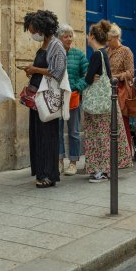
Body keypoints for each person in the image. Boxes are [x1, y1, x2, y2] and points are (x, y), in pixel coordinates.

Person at [22, 10, 67, 188]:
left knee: (47, 134)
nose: (33, 34)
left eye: (34, 31)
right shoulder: (45, 44)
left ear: (42, 28)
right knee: (38, 134)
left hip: (47, 99)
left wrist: (35, 70)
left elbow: (57, 71)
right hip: (37, 97)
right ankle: (40, 171)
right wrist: (31, 70)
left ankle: (49, 173)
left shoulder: (56, 46)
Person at [84, 20, 132, 182]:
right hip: (106, 101)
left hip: (98, 104)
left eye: (88, 35)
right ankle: (105, 168)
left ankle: (101, 170)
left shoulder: (96, 55)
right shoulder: (104, 53)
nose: (87, 38)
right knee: (105, 135)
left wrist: (85, 76)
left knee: (98, 136)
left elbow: (89, 79)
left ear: (92, 36)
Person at [57, 24, 87, 176]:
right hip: (57, 97)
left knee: (74, 131)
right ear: (59, 38)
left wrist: (77, 88)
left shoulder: (79, 54)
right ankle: (59, 161)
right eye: (65, 36)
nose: (69, 39)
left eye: (70, 36)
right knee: (57, 131)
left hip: (73, 97)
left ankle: (73, 163)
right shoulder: (55, 54)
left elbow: (86, 74)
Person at [107, 24, 135, 152]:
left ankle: (125, 154)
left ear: (117, 36)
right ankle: (110, 154)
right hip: (106, 90)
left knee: (122, 122)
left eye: (110, 40)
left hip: (119, 90)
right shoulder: (105, 51)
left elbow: (130, 73)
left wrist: (115, 76)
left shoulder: (125, 51)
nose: (108, 43)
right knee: (108, 123)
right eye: (106, 40)